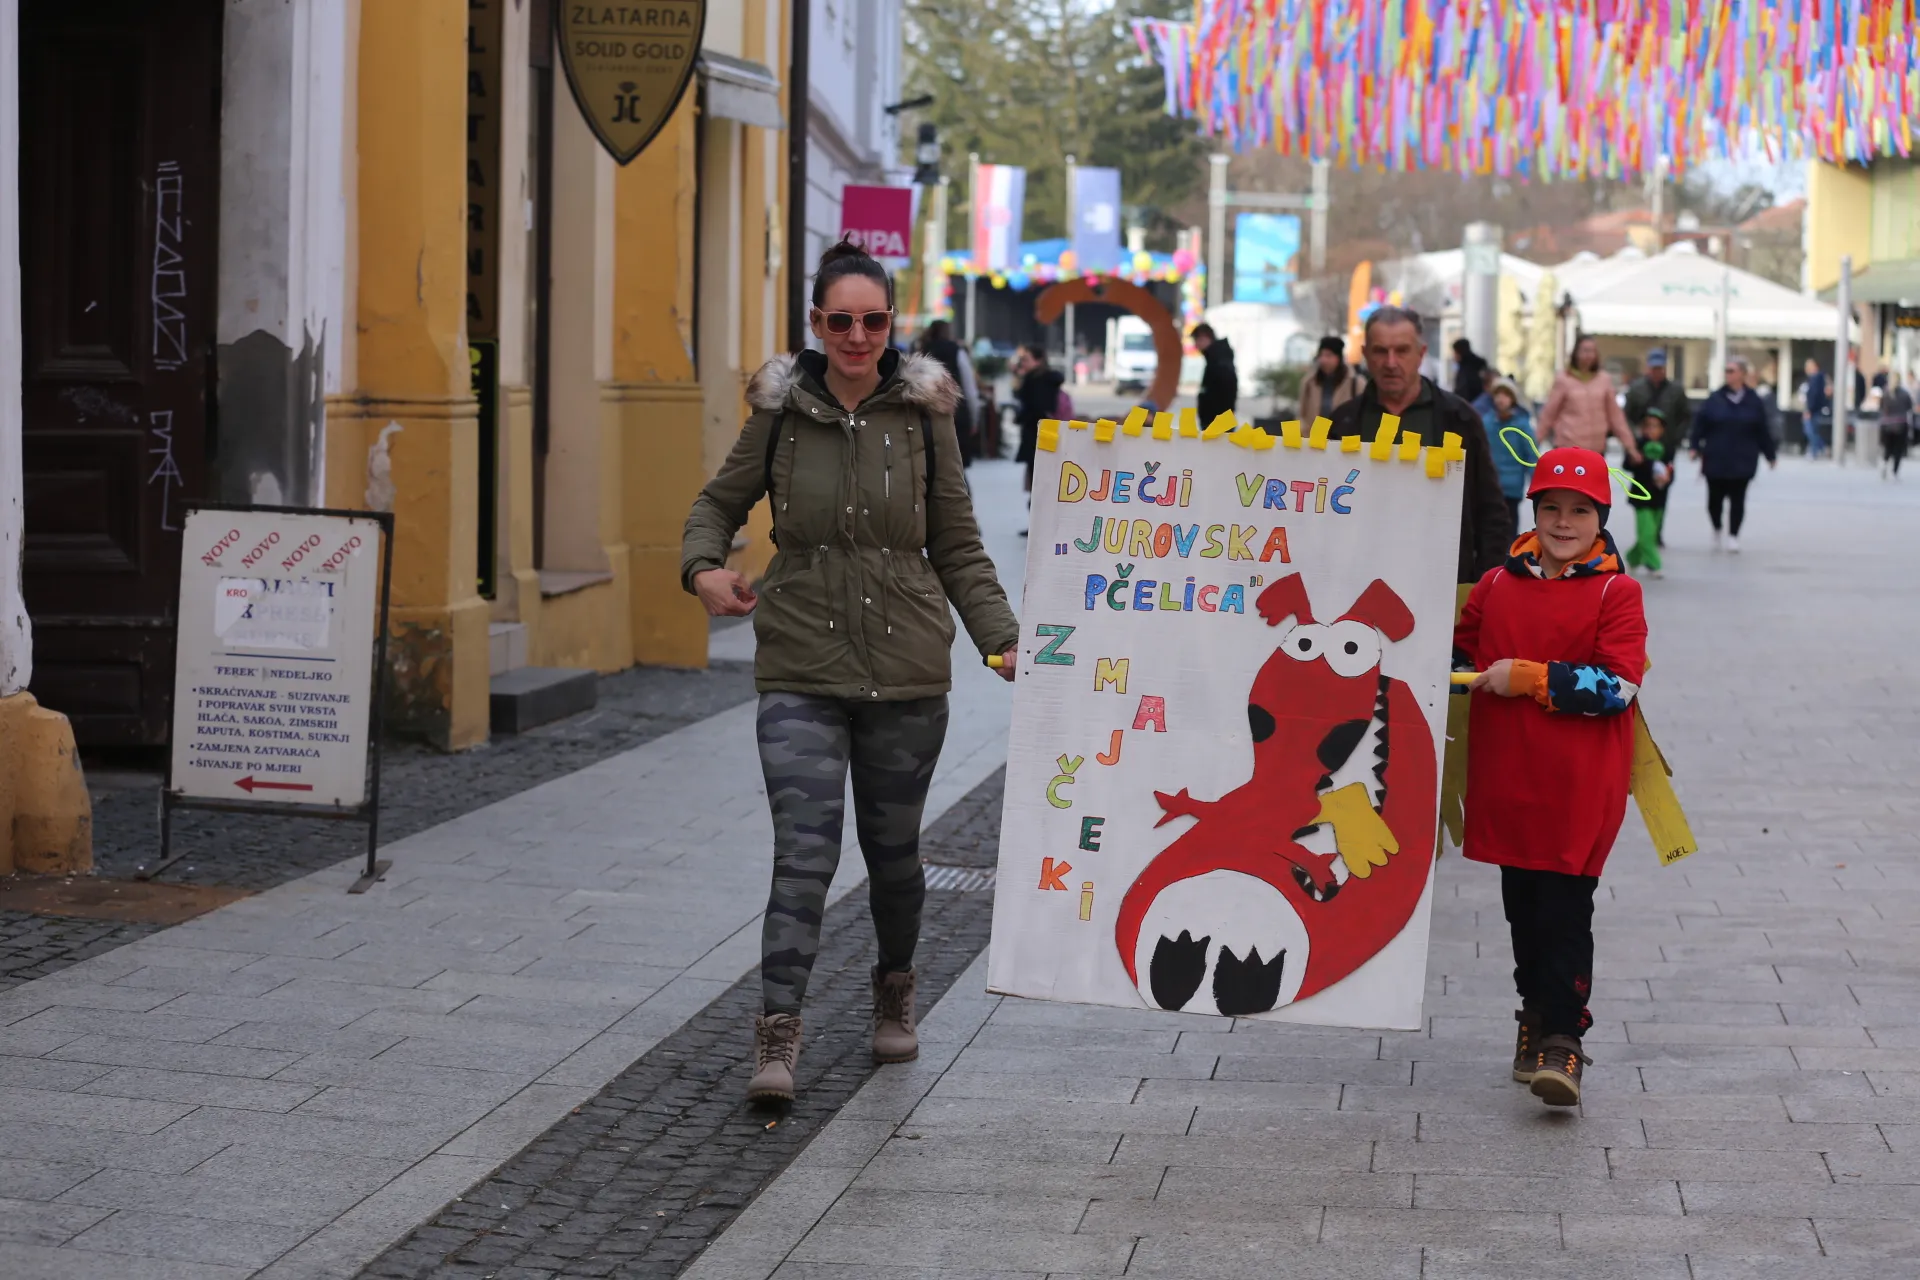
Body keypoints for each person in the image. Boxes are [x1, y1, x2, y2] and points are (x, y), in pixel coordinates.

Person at [680, 240, 1021, 1103]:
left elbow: (957, 542)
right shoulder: (783, 411)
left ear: (892, 325)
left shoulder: (925, 415)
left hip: (907, 668)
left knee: (894, 855)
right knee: (802, 854)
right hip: (800, 660)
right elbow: (718, 503)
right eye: (842, 321)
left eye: (873, 321)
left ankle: (894, 989)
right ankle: (777, 1036)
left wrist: (999, 636)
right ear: (816, 325)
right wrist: (703, 568)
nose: (858, 336)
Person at [1454, 447, 1648, 1108]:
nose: (1564, 522)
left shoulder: (1617, 591)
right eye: (1551, 508)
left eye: (1579, 510)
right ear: (1532, 512)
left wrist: (1529, 676)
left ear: (1601, 517)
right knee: (1523, 912)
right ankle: (1534, 1017)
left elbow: (1620, 685)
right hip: (1509, 782)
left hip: (1578, 788)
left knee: (1565, 913)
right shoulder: (1497, 584)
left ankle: (1564, 1039)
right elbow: (1460, 644)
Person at [1327, 306, 1512, 582]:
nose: (1391, 363)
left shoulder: (1459, 418)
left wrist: (1485, 583)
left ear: (1421, 354)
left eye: (1401, 350)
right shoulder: (1344, 421)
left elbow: (1490, 509)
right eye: (1380, 351)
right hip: (1357, 578)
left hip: (1441, 581)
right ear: (1365, 355)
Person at [1688, 356, 1777, 552]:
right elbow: (1700, 425)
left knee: (1738, 499)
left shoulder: (1753, 401)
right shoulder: (1715, 399)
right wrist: (1694, 446)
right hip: (1716, 458)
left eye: (1732, 371)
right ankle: (1717, 526)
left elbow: (1762, 429)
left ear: (1743, 375)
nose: (1728, 375)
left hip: (1743, 459)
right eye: (1726, 371)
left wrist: (1770, 455)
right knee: (1714, 500)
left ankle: (1734, 535)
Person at [1539, 336, 1642, 464]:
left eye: (1592, 351)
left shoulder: (1604, 380)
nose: (1589, 355)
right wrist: (1535, 441)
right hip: (1568, 447)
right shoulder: (1563, 380)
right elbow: (1548, 414)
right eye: (1585, 351)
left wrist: (1630, 446)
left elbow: (1616, 417)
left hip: (1596, 450)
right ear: (1576, 353)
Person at [916, 320, 979, 464]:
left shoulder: (922, 351)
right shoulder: (957, 351)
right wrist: (974, 417)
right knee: (956, 467)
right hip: (956, 414)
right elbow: (970, 388)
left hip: (928, 416)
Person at [1481, 377, 1536, 535]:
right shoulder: (1487, 423)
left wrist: (1536, 483)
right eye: (1497, 394)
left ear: (1512, 399)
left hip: (1512, 487)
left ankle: (1509, 556)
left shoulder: (1522, 425)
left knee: (1510, 527)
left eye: (1505, 395)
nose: (1501, 399)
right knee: (1490, 527)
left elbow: (1531, 456)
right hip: (1491, 485)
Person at [1624, 407, 1672, 577]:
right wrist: (1635, 458)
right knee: (1646, 532)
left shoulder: (1667, 447)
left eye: (1656, 426)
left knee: (1651, 533)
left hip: (1659, 497)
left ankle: (1632, 558)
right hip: (1641, 496)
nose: (1651, 430)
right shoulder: (1637, 445)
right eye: (1648, 426)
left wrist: (1666, 479)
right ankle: (1654, 564)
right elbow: (1627, 465)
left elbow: (1670, 469)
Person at [1011, 344, 1065, 493]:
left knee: (1036, 475)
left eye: (1026, 360)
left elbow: (1034, 406)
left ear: (1038, 361)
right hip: (1047, 431)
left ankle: (1036, 506)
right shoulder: (1047, 379)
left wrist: (1020, 417)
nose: (1023, 363)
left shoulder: (1034, 380)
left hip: (1035, 433)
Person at [1623, 349, 1692, 446]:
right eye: (1654, 368)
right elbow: (1626, 417)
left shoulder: (1676, 391)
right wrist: (1636, 435)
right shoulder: (1636, 389)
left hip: (1667, 444)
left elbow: (1685, 417)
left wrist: (1675, 438)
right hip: (1640, 444)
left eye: (1660, 368)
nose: (1657, 372)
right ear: (1648, 368)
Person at [1298, 335, 1365, 423]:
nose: (1323, 360)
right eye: (1321, 355)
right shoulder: (1309, 382)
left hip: (1344, 436)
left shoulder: (1356, 383)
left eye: (1328, 356)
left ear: (1339, 358)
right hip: (1315, 435)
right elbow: (1301, 415)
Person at [1192, 323, 1238, 427]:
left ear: (1205, 338)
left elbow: (1225, 392)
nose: (1196, 345)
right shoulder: (1216, 358)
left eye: (1197, 340)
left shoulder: (1219, 360)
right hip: (1216, 422)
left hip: (1217, 424)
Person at [1880, 372, 1912, 480]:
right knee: (1898, 449)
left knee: (1888, 448)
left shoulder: (1886, 393)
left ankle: (1884, 464)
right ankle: (1895, 471)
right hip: (1901, 424)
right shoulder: (1904, 394)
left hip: (1887, 425)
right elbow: (1909, 407)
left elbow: (1881, 407)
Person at [1801, 358, 1829, 458]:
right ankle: (1821, 448)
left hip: (1813, 409)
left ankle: (1815, 451)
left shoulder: (1816, 378)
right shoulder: (1816, 378)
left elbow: (1814, 395)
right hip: (1815, 409)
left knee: (1811, 431)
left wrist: (1809, 409)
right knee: (1812, 431)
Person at [1452, 337, 1489, 403]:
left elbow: (1462, 392)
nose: (1453, 356)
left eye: (1455, 353)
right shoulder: (1475, 366)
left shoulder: (1466, 370)